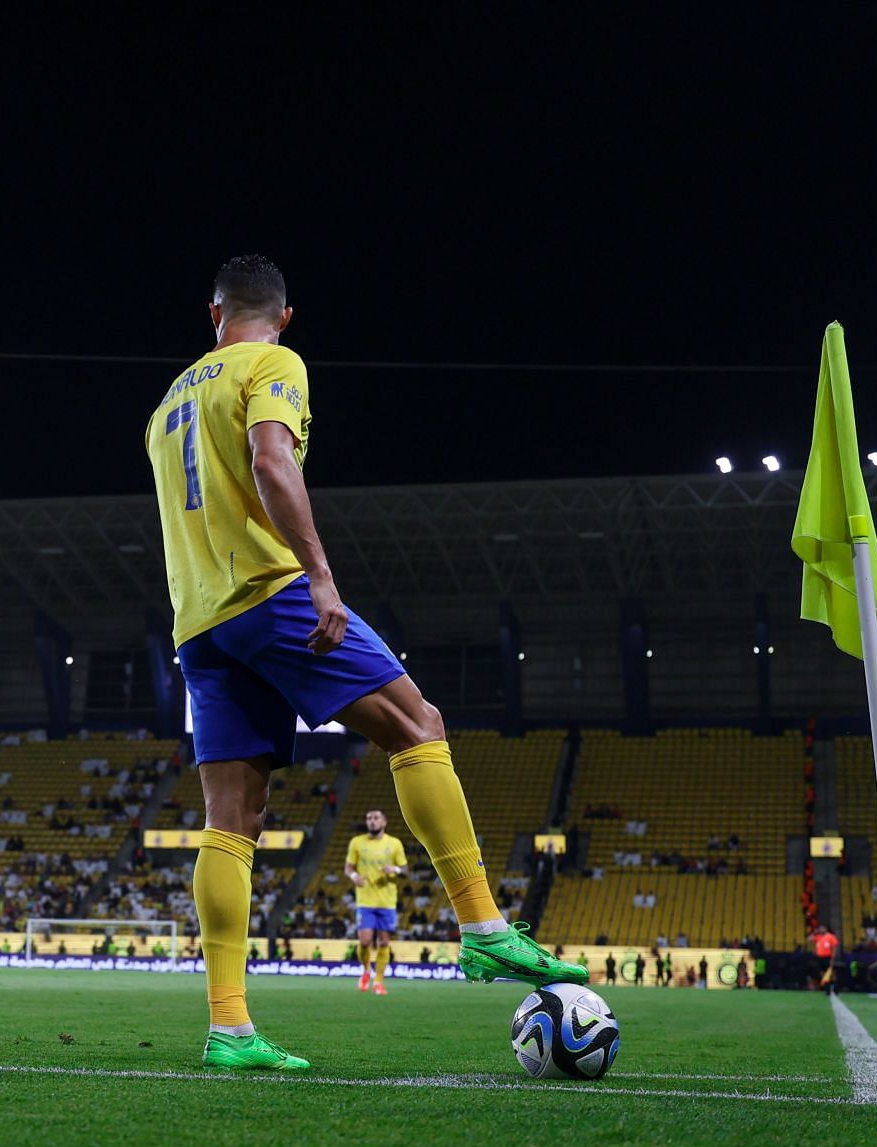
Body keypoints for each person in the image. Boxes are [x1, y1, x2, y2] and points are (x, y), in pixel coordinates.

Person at [147, 256, 585, 1074]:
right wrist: (319, 574)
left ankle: (230, 1027)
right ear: (285, 316)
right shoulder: (273, 363)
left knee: (230, 818)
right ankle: (484, 926)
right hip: (266, 590)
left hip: (199, 623)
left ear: (213, 312)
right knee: (418, 723)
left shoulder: (166, 403)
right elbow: (274, 461)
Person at [345, 808, 406, 996]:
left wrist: (394, 870)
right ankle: (365, 970)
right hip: (365, 899)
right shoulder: (357, 842)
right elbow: (348, 867)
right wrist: (354, 876)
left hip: (387, 901)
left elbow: (405, 870)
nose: (372, 821)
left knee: (384, 943)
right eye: (369, 818)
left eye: (376, 818)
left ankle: (378, 981)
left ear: (384, 822)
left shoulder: (394, 843)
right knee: (364, 942)